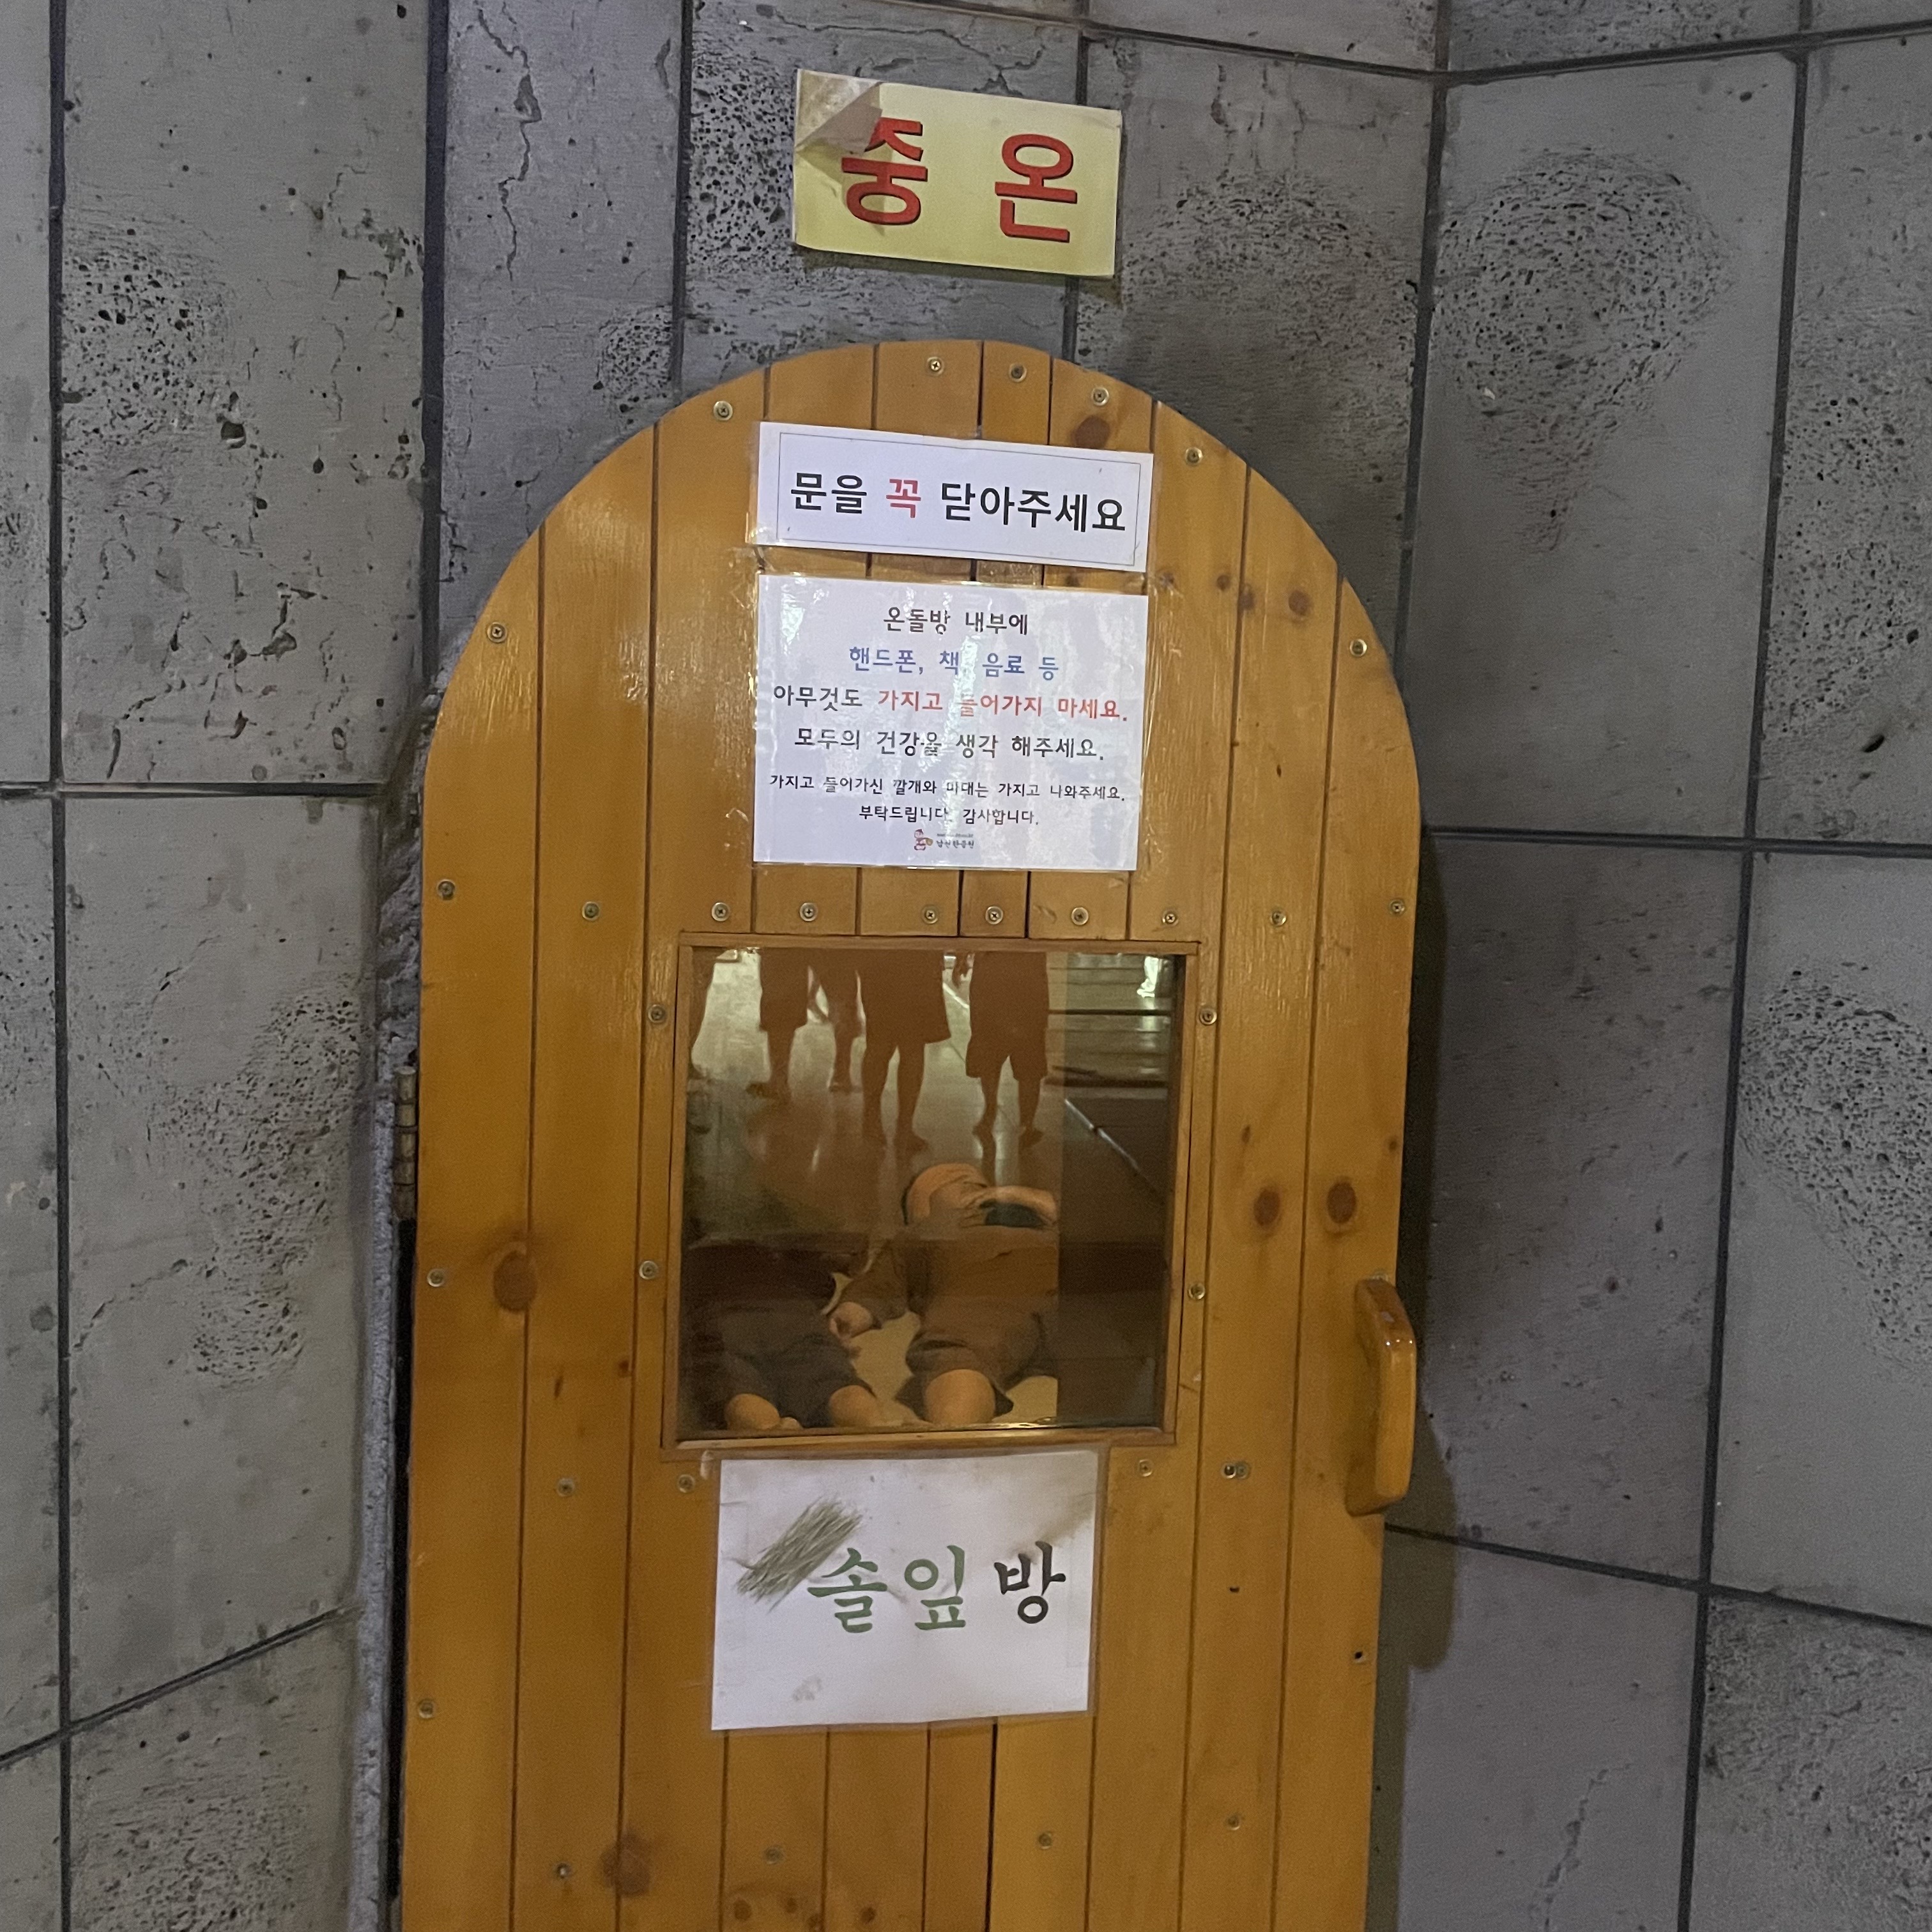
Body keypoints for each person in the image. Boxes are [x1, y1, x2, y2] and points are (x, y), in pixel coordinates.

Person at [832, 1162, 1059, 1427]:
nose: (967, 1184)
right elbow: (880, 1285)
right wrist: (849, 1315)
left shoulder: (1045, 1211)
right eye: (947, 1183)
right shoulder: (920, 1235)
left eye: (976, 1183)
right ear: (920, 1212)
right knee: (958, 1348)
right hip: (989, 1290)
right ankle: (953, 1437)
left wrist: (1039, 1200)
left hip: (1085, 1281)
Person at [684, 1239, 889, 1432]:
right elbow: (847, 1253)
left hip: (719, 1310)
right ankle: (875, 1430)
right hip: (793, 1307)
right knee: (838, 1386)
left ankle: (769, 1434)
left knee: (741, 1394)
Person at [853, 949, 951, 1149]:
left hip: (881, 961)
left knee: (881, 1045)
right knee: (911, 1048)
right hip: (918, 963)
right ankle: (903, 1128)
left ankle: (873, 1119)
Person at [962, 949, 1050, 1146]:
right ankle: (1025, 1121)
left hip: (997, 974)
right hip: (1024, 976)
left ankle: (992, 1111)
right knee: (1026, 1057)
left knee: (992, 1053)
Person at [748, 947, 810, 1102]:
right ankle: (779, 1080)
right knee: (783, 1023)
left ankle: (779, 1082)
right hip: (793, 957)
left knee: (778, 1021)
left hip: (779, 956)